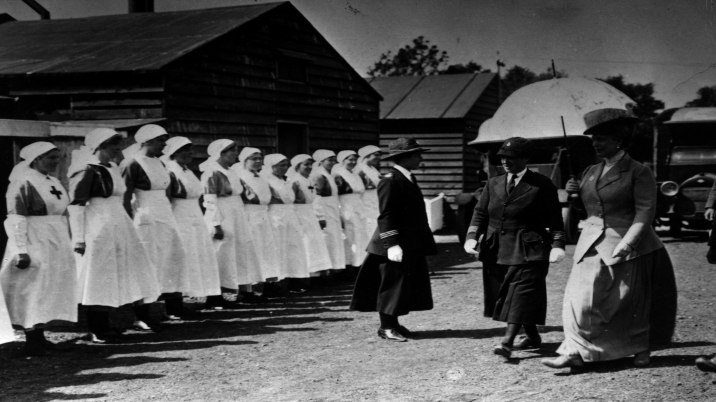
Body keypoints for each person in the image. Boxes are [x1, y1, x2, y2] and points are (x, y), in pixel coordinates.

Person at [542, 108, 676, 369]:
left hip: (627, 245)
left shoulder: (638, 171)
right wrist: (573, 194)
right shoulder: (590, 171)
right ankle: (574, 351)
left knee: (627, 302)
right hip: (590, 243)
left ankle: (640, 349)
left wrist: (629, 243)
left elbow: (645, 211)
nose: (595, 143)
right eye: (593, 139)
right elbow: (590, 210)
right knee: (577, 300)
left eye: (601, 138)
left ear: (618, 140)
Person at [463, 137, 565, 359]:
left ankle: (506, 343)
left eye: (512, 158)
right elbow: (480, 213)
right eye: (503, 158)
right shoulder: (493, 183)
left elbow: (556, 219)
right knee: (507, 292)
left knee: (520, 293)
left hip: (529, 247)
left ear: (525, 159)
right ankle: (532, 336)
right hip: (496, 248)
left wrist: (557, 244)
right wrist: (472, 236)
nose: (506, 162)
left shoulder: (542, 184)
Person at [68, 128, 160, 343]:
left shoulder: (112, 167)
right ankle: (97, 328)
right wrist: (79, 237)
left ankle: (106, 324)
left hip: (118, 223)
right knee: (98, 275)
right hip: (97, 224)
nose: (118, 149)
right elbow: (76, 205)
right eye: (113, 145)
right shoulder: (86, 169)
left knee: (115, 272)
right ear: (99, 146)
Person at [350, 138, 436, 342]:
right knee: (391, 284)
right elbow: (386, 214)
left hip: (409, 241)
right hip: (393, 243)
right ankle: (386, 327)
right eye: (416, 155)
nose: (420, 158)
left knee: (402, 283)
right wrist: (392, 244)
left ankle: (394, 323)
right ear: (403, 157)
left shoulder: (407, 177)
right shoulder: (390, 180)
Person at [0, 142, 78, 355]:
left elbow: (62, 212)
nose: (55, 162)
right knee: (33, 288)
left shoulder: (53, 181)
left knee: (48, 287)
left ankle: (40, 337)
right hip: (34, 236)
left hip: (55, 237)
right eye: (50, 158)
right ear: (35, 159)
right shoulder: (22, 181)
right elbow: (16, 216)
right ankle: (32, 341)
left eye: (57, 158)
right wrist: (20, 249)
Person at [121, 125, 189, 330]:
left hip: (165, 215)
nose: (164, 145)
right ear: (146, 142)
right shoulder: (132, 163)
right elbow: (125, 196)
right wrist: (129, 223)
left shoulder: (159, 162)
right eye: (160, 140)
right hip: (145, 217)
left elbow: (166, 192)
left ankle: (169, 307)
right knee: (147, 263)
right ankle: (141, 315)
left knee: (170, 259)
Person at [161, 137, 221, 315]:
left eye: (190, 149)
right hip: (178, 216)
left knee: (194, 257)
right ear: (174, 152)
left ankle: (182, 302)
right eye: (184, 150)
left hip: (194, 216)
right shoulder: (170, 171)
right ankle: (173, 307)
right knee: (178, 259)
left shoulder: (187, 171)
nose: (189, 153)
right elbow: (168, 198)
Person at [200, 140, 262, 308]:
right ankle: (214, 297)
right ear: (221, 153)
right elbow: (210, 199)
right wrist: (215, 224)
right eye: (232, 151)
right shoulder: (211, 171)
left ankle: (243, 291)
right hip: (222, 213)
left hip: (237, 214)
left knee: (240, 252)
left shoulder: (232, 172)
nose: (236, 154)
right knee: (221, 253)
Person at [232, 147, 282, 295]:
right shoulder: (240, 176)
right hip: (249, 215)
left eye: (260, 158)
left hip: (263, 215)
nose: (258, 161)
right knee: (251, 251)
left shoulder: (262, 177)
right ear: (244, 161)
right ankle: (247, 289)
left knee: (266, 249)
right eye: (254, 159)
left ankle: (267, 284)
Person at [263, 154, 310, 289]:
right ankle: (274, 283)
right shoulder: (267, 179)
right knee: (277, 248)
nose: (284, 168)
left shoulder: (287, 180)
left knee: (293, 247)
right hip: (275, 215)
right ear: (271, 166)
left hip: (290, 213)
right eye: (281, 165)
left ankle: (293, 279)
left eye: (286, 165)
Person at [287, 154, 333, 277]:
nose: (308, 167)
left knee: (314, 242)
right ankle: (304, 273)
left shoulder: (309, 179)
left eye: (310, 164)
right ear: (297, 166)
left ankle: (315, 272)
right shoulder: (295, 180)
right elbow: (291, 199)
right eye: (305, 164)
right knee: (305, 242)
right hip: (298, 212)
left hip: (309, 212)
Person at [310, 150, 346, 274]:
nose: (333, 162)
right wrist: (320, 215)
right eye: (329, 160)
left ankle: (334, 268)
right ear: (321, 162)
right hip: (324, 209)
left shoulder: (329, 174)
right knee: (327, 238)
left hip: (333, 208)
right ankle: (325, 271)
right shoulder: (318, 175)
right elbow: (317, 196)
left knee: (334, 238)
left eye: (333, 160)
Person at [333, 150, 369, 269]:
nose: (353, 162)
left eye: (355, 160)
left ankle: (359, 264)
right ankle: (349, 265)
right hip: (345, 207)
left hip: (358, 206)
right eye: (350, 159)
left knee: (360, 236)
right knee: (349, 236)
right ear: (342, 160)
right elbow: (336, 195)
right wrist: (340, 211)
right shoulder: (338, 174)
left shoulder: (355, 174)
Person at [357, 145, 383, 241]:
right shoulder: (360, 169)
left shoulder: (373, 169)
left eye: (379, 155)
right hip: (365, 204)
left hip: (375, 203)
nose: (379, 158)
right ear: (366, 155)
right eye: (376, 155)